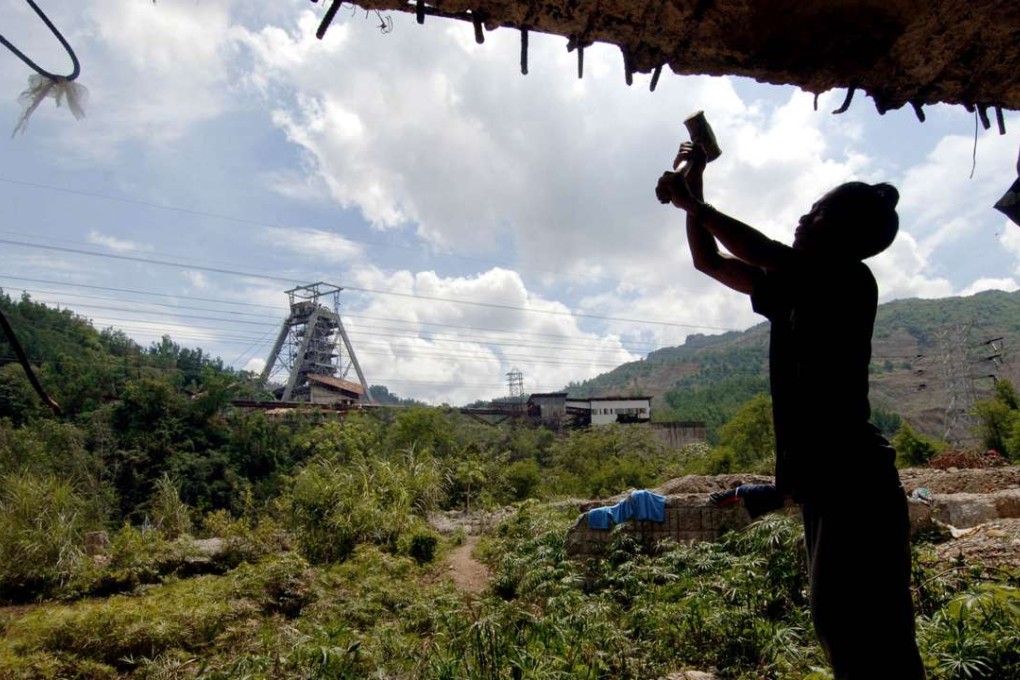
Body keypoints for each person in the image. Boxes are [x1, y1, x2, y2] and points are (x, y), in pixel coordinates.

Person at [656, 143, 926, 680]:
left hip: (857, 487)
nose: (804, 217)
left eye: (817, 212)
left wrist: (695, 204)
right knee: (847, 628)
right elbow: (708, 261)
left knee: (860, 633)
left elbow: (760, 249)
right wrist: (698, 183)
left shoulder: (845, 280)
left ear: (842, 234)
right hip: (835, 487)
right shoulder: (800, 288)